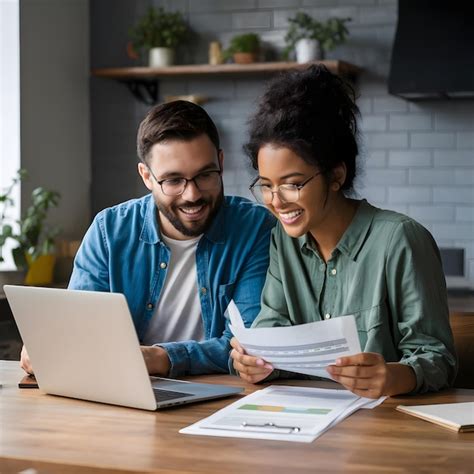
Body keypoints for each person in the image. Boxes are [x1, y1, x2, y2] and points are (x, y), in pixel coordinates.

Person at [230, 65, 457, 398]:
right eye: (266, 186)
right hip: (307, 418)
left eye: (293, 184)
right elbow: (273, 326)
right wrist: (257, 362)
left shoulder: (400, 240)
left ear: (336, 175)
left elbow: (438, 358)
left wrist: (396, 376)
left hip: (385, 427)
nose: (276, 201)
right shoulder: (284, 240)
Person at [21, 100, 275, 377]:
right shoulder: (109, 231)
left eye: (205, 175)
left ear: (221, 163)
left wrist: (164, 358)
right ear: (146, 176)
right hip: (123, 389)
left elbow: (249, 347)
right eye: (173, 180)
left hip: (220, 395)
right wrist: (47, 348)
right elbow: (82, 333)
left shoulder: (255, 228)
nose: (192, 195)